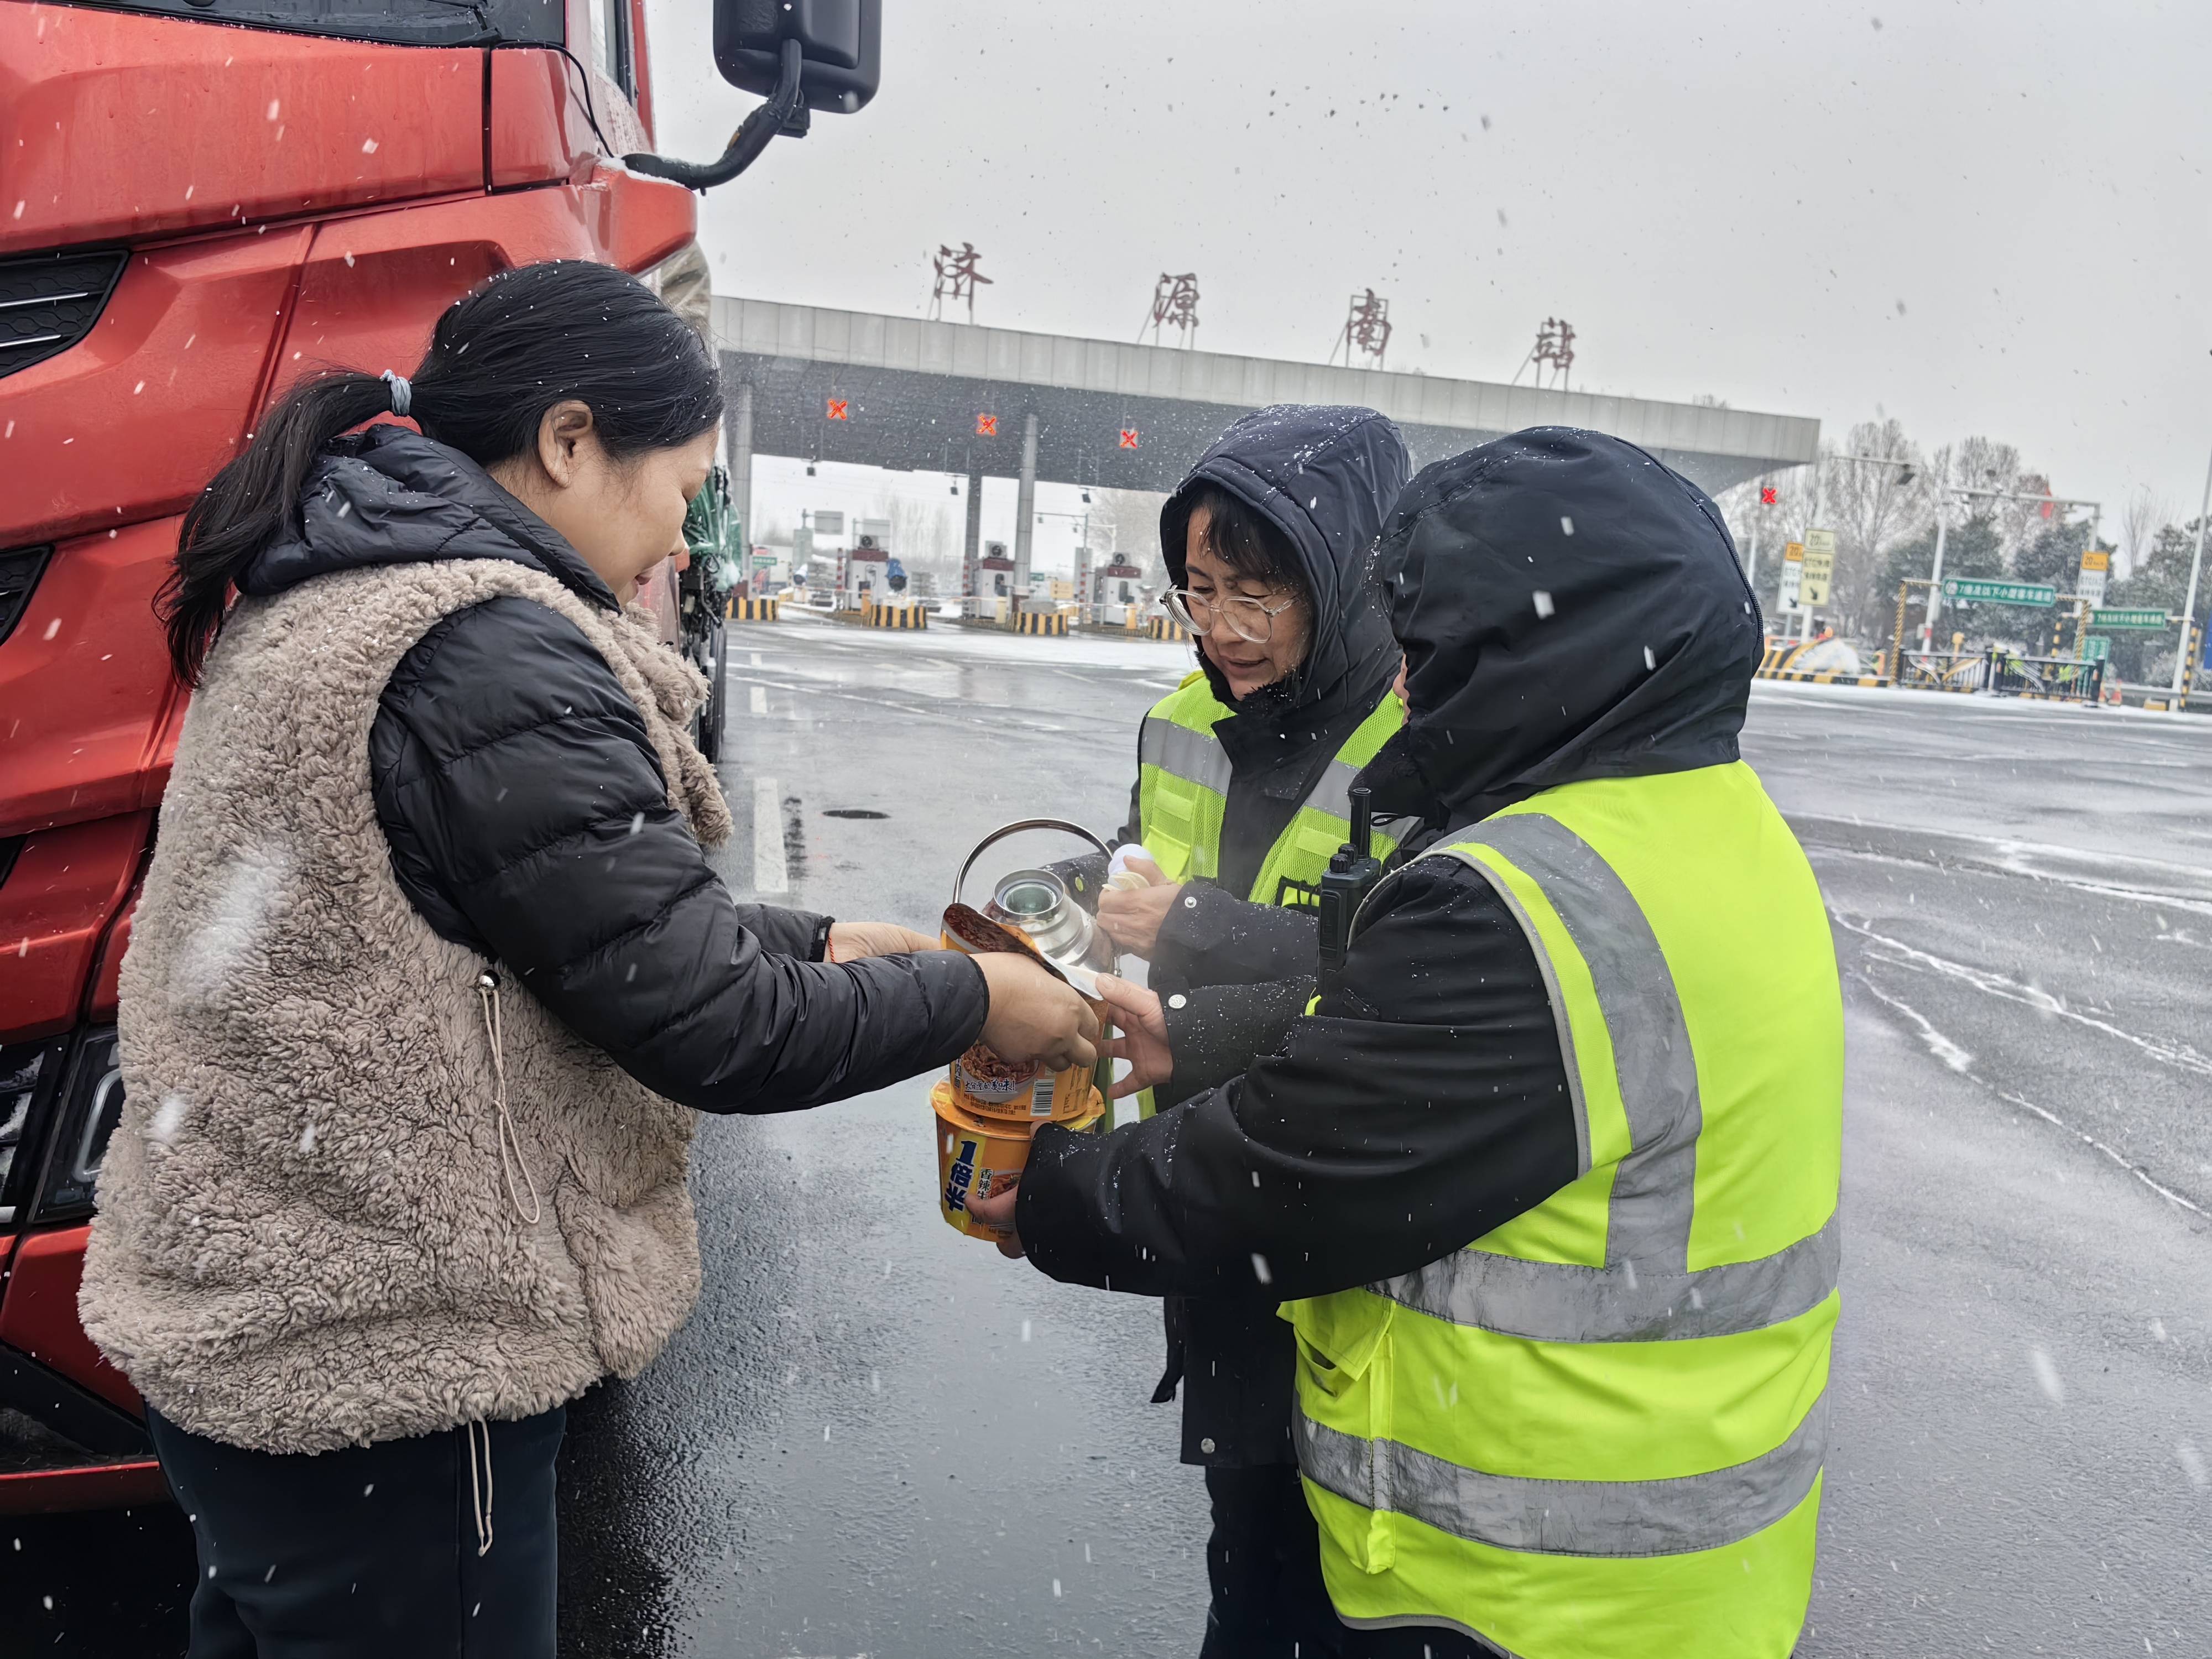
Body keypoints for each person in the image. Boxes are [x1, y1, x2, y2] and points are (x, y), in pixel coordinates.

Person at [80, 260, 1095, 1659]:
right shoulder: (488, 647)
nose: (685, 538)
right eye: (682, 489)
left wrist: (811, 939)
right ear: (568, 443)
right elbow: (719, 1029)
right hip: (397, 1360)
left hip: (262, 1322)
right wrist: (983, 992)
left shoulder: (346, 590)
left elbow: (530, 919)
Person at [975, 426, 1844, 1659]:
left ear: (1535, 653)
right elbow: (1441, 1057)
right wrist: (1193, 1026)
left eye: (1426, 653)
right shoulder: (1706, 824)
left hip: (1524, 1584)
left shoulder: (1529, 891)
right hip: (1685, 1550)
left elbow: (1298, 1167)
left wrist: (1049, 1197)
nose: (1400, 690)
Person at [1051, 404, 1412, 1658]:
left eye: (1258, 593)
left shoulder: (1429, 753)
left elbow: (1434, 993)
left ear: (1348, 579)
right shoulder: (1177, 723)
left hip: (1359, 1246)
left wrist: (1197, 933)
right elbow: (1127, 883)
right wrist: (1056, 932)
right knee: (1248, 1564)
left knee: (1355, 1585)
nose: (1222, 630)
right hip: (1217, 1202)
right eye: (1198, 590)